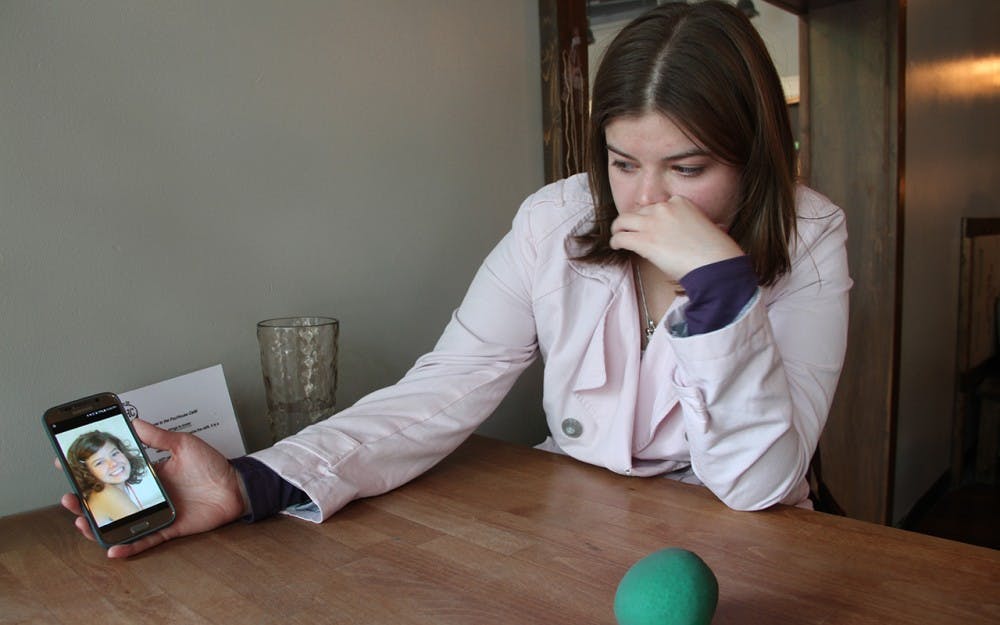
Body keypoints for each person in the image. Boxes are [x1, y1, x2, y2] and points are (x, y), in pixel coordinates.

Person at [60, 1, 850, 557]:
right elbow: (445, 386)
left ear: (753, 158)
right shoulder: (556, 219)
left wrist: (720, 289)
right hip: (581, 530)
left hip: (745, 542)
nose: (645, 201)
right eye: (622, 163)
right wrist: (251, 481)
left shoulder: (812, 238)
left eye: (688, 169)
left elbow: (758, 482)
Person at [66, 431, 149, 524]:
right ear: (87, 472)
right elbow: (143, 524)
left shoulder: (113, 489)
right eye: (99, 462)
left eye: (114, 454)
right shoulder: (107, 493)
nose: (113, 463)